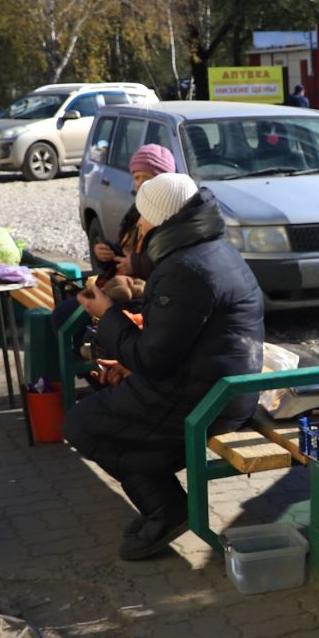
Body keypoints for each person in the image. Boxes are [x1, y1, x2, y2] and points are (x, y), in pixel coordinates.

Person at [62, 172, 265, 560]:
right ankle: (163, 505)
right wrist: (128, 365)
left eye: (140, 217)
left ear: (154, 220)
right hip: (218, 389)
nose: (138, 225)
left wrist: (107, 315)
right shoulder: (209, 247)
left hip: (208, 401)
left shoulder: (184, 268)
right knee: (102, 407)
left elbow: (154, 357)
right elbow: (172, 346)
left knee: (83, 424)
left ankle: (166, 508)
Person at [49, 143, 175, 337]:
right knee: (64, 313)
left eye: (148, 178)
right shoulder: (136, 211)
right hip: (116, 286)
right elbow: (122, 249)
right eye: (136, 177)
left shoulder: (168, 217)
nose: (141, 183)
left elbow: (171, 265)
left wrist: (134, 264)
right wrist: (104, 253)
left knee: (68, 317)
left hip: (141, 297)